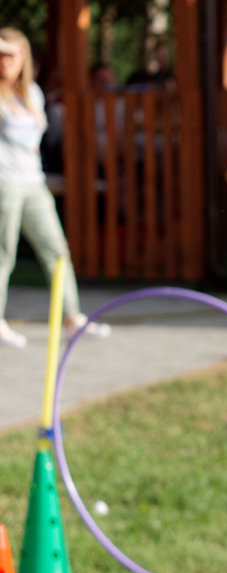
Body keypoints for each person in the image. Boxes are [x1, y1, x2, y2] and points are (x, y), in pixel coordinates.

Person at [0, 28, 111, 348]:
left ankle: (72, 317)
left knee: (56, 249)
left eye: (9, 55)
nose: (4, 61)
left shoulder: (32, 93)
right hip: (5, 183)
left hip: (33, 181)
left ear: (23, 57)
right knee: (3, 253)